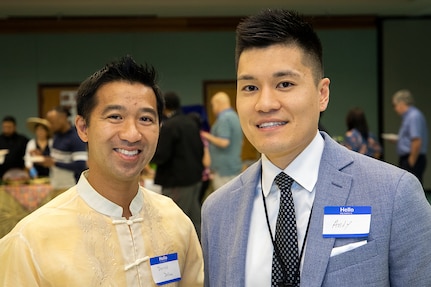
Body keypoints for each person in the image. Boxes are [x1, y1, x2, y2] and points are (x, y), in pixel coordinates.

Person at [201, 9, 431, 287]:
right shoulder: (217, 210)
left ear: (322, 94)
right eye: (250, 87)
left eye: (284, 84)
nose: (265, 104)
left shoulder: (394, 194)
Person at [0, 56, 204, 286]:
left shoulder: (175, 221)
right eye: (115, 117)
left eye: (146, 118)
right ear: (83, 128)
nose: (132, 134)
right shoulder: (30, 240)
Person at [151, 91, 204, 236]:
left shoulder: (170, 126)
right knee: (195, 220)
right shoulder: (190, 122)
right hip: (195, 178)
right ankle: (200, 252)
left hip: (178, 181)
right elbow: (200, 149)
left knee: (174, 220)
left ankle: (179, 255)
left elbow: (162, 155)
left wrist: (149, 156)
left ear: (163, 106)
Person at [201, 91, 243, 190]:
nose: (213, 109)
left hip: (224, 170)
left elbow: (224, 142)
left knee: (224, 201)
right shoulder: (234, 116)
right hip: (233, 166)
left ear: (218, 103)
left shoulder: (224, 119)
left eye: (213, 105)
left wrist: (207, 136)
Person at [45, 105, 88, 192]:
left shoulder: (75, 138)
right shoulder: (57, 135)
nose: (50, 126)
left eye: (52, 122)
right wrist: (42, 155)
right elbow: (56, 157)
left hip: (71, 187)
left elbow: (80, 166)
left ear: (63, 118)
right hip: (56, 184)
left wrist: (55, 163)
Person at [392, 89, 428, 184]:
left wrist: (410, 163)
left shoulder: (413, 116)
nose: (395, 109)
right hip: (409, 157)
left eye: (395, 105)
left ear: (402, 103)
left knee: (411, 187)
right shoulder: (409, 116)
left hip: (412, 158)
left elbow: (416, 140)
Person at [0, 115, 28, 180]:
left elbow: (28, 156)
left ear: (15, 127)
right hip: (1, 175)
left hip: (20, 175)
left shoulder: (22, 140)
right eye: (5, 127)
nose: (7, 129)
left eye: (9, 127)